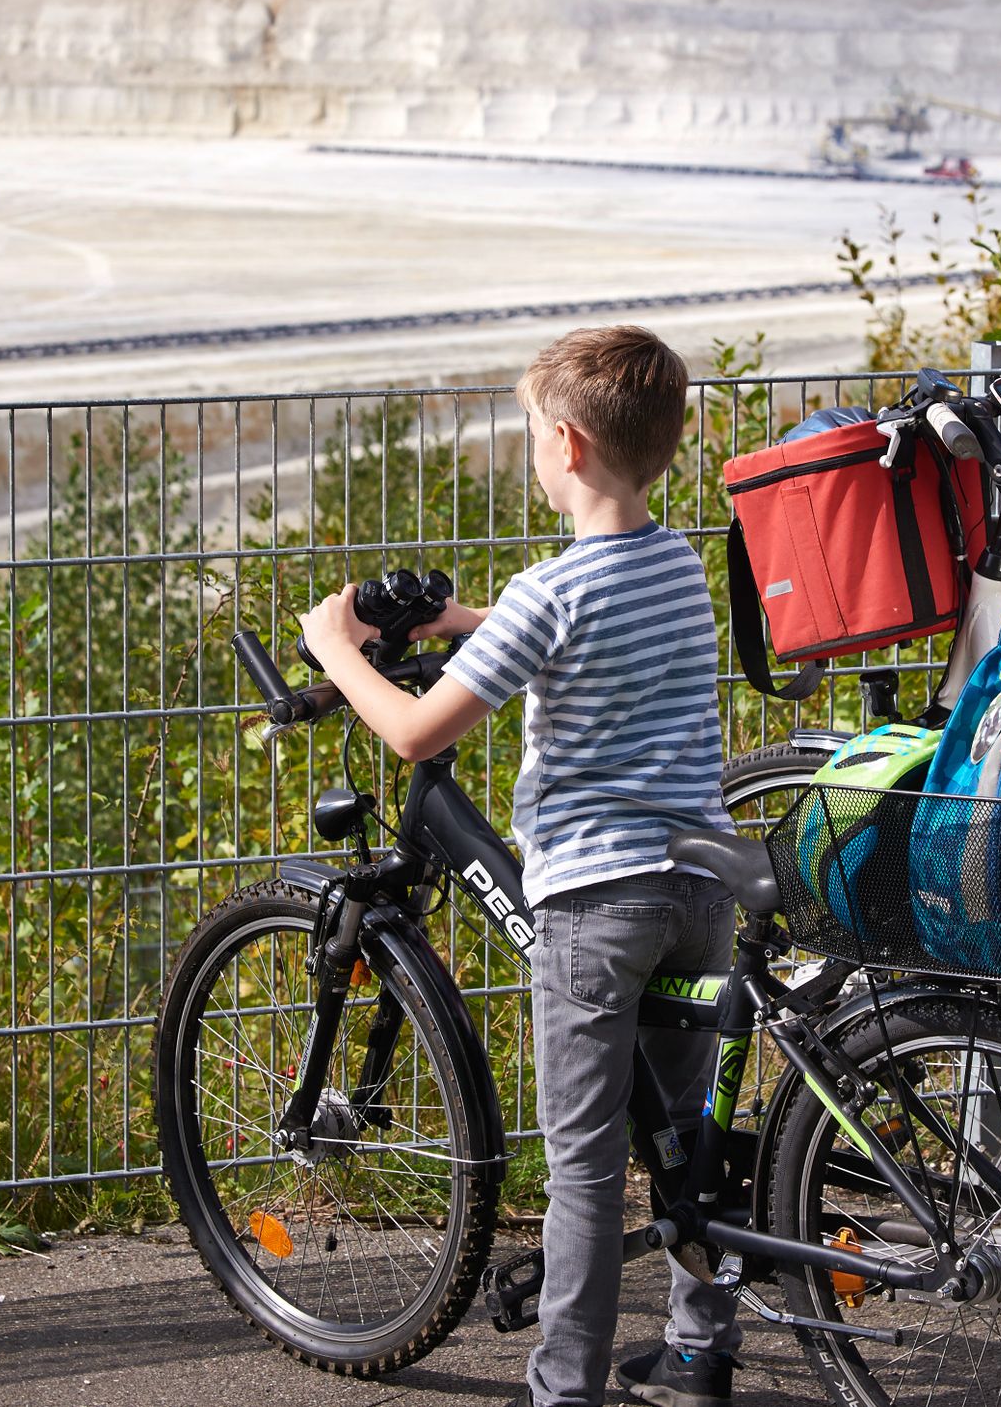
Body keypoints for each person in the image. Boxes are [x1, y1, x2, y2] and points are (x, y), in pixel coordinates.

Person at [298, 325, 742, 1407]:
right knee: (684, 1138)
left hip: (599, 901)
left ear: (566, 443)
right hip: (699, 888)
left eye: (532, 435)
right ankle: (696, 1348)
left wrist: (338, 652)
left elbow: (415, 734)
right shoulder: (672, 558)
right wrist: (457, 619)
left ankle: (562, 1388)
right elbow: (571, 626)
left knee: (586, 1164)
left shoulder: (552, 591)